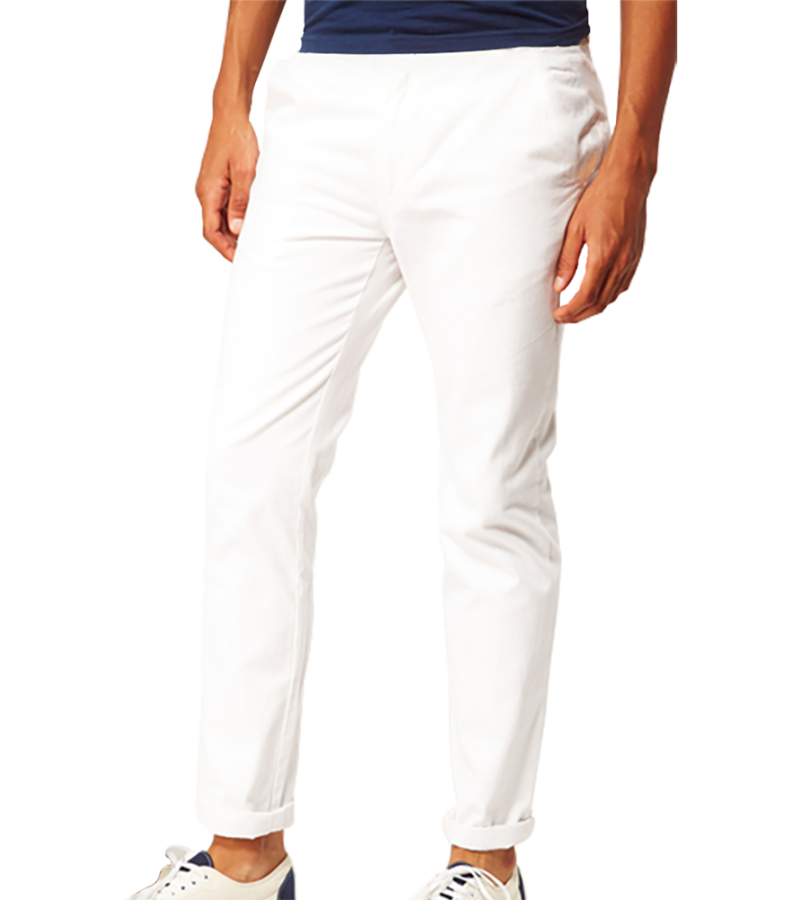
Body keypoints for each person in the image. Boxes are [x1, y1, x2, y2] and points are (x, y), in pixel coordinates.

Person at [127, 1, 677, 898]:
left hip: (511, 85)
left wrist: (634, 160)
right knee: (251, 471)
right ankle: (242, 856)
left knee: (491, 488)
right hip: (326, 91)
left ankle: (486, 859)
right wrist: (231, 98)